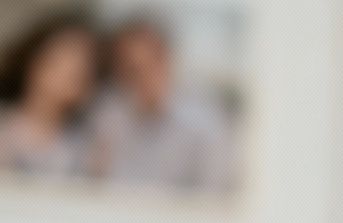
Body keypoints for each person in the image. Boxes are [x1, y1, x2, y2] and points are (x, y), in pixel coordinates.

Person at [88, 11, 238, 196]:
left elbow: (213, 195)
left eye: (150, 65)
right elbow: (94, 185)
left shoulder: (206, 122)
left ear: (167, 59)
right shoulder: (109, 115)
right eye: (132, 70)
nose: (144, 78)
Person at [0, 10, 96, 180]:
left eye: (86, 59)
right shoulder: (6, 132)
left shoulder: (88, 150)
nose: (78, 66)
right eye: (67, 53)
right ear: (35, 60)